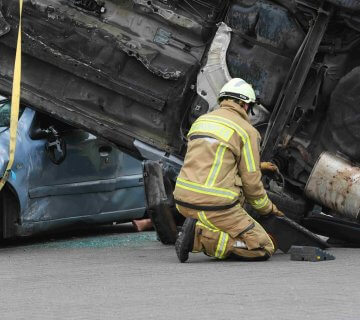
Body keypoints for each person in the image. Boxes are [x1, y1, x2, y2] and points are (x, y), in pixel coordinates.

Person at [173, 78, 284, 263]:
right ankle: (198, 238)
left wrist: (259, 167)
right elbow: (252, 186)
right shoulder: (246, 131)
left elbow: (213, 162)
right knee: (263, 246)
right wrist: (268, 209)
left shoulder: (201, 121)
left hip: (183, 200)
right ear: (243, 104)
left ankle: (197, 226)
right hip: (215, 206)